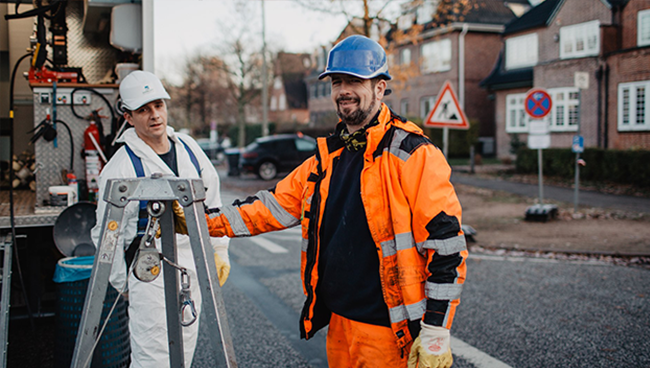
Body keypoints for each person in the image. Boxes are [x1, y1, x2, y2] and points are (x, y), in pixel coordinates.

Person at [202, 35, 467, 367]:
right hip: (340, 324)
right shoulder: (329, 156)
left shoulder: (412, 153)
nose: (343, 90)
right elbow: (271, 207)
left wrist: (436, 332)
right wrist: (200, 222)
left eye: (354, 80)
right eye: (337, 81)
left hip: (388, 332)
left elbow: (446, 247)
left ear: (381, 87)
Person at [90, 70, 230, 368]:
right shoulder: (120, 168)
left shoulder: (190, 148)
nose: (155, 115)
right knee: (153, 358)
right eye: (143, 110)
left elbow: (213, 205)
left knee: (185, 351)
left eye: (158, 105)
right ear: (128, 117)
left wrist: (219, 252)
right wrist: (124, 284)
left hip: (193, 267)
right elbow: (107, 235)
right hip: (149, 274)